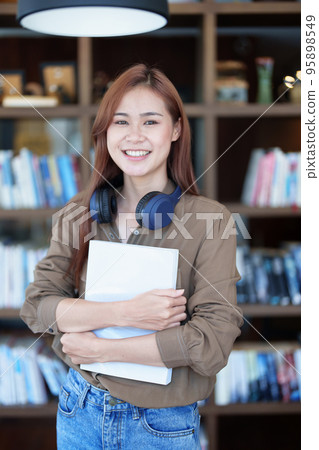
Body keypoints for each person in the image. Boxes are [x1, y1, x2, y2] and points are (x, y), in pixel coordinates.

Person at [21, 64, 244, 449]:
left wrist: (102, 349)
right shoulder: (80, 210)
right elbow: (37, 305)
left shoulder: (210, 220)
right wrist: (127, 313)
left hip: (161, 424)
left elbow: (210, 345)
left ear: (175, 130)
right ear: (105, 131)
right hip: (80, 409)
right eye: (120, 121)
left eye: (151, 121)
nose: (134, 136)